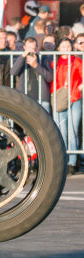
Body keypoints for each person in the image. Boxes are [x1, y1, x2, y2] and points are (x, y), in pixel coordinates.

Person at [51, 38, 82, 173]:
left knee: (72, 130)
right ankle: (62, 159)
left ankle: (72, 162)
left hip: (74, 98)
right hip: (59, 98)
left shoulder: (77, 61)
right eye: (63, 46)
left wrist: (80, 87)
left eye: (68, 46)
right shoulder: (54, 62)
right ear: (59, 48)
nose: (66, 49)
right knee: (61, 131)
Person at [10, 36, 52, 112]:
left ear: (36, 48)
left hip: (41, 99)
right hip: (25, 98)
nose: (31, 51)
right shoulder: (20, 58)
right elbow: (13, 72)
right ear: (24, 47)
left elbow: (49, 77)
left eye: (33, 48)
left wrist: (36, 65)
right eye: (28, 48)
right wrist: (23, 56)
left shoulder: (43, 58)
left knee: (43, 122)